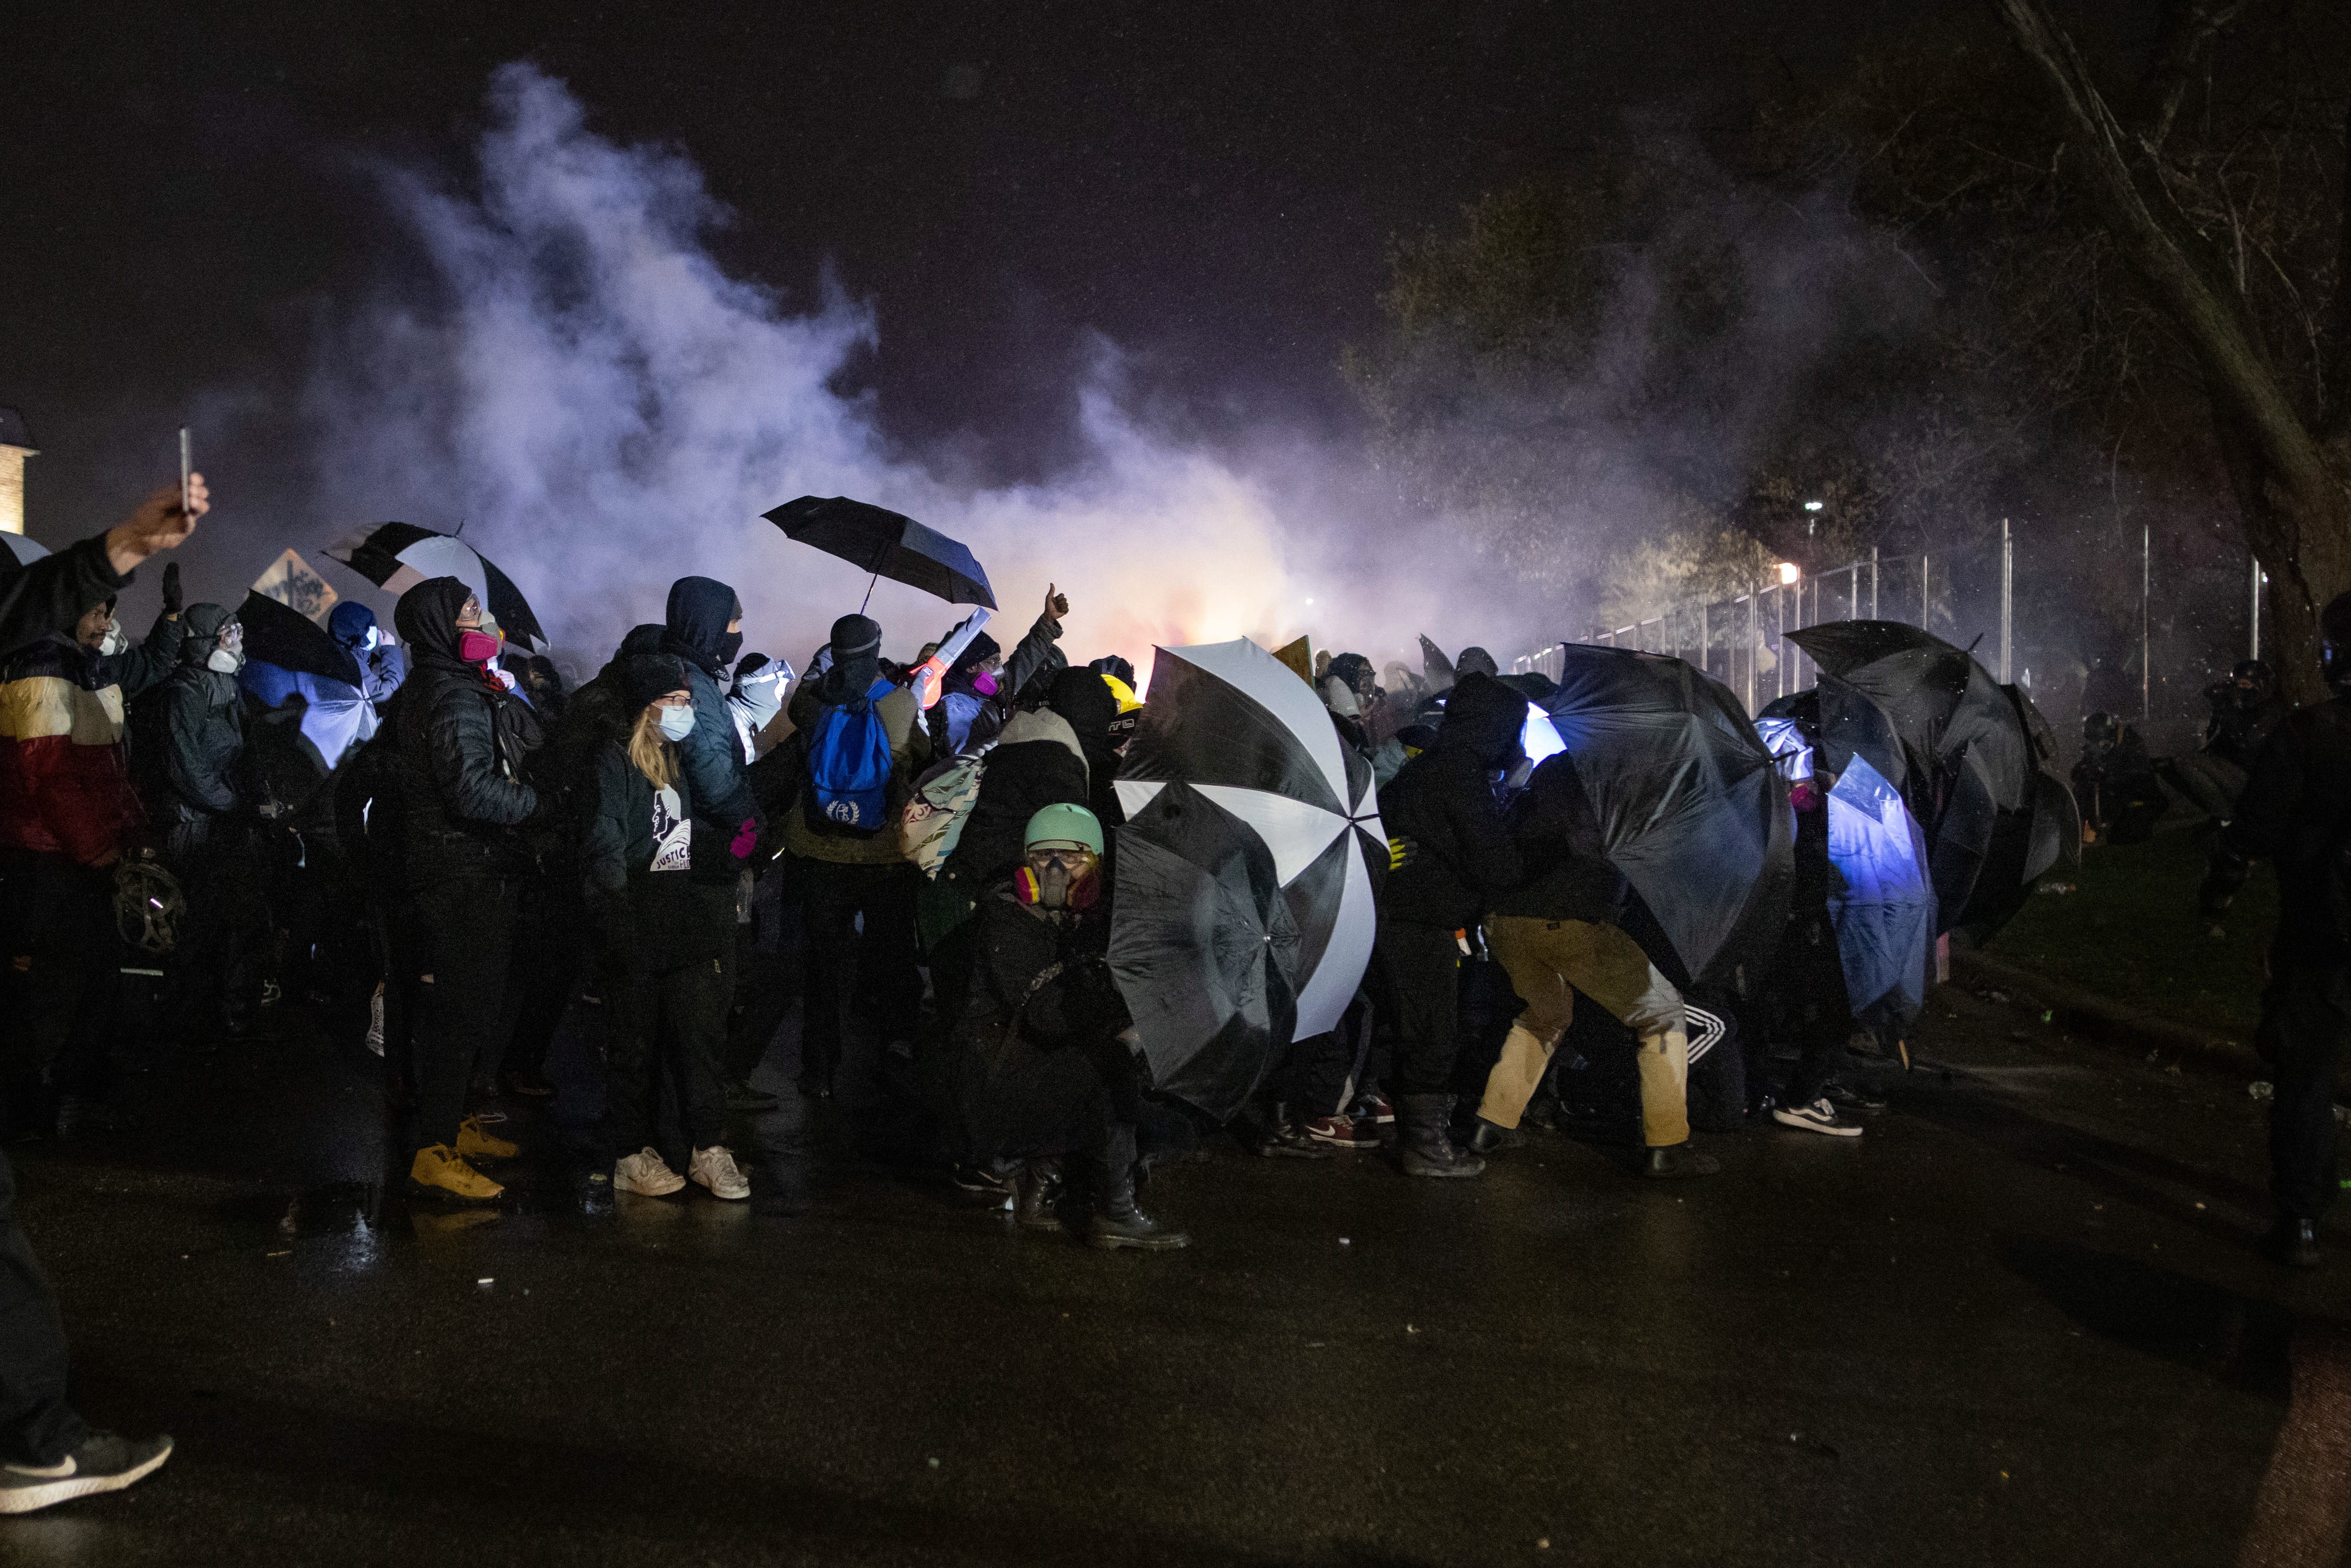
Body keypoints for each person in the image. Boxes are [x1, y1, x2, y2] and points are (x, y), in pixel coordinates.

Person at [0, 472, 202, 1516]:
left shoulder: (69, 662)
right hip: (48, 871)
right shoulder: (38, 669)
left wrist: (116, 560)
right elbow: (52, 776)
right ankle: (31, 1440)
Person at [0, 565, 184, 1137]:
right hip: (44, 855)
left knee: (92, 977)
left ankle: (57, 1088)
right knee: (56, 987)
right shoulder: (42, 665)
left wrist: (129, 829)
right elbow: (48, 774)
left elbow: (106, 767)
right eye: (97, 611)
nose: (106, 623)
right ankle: (32, 1103)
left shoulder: (85, 666)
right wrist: (98, 845)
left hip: (77, 851)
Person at [1471, 752, 1719, 1175]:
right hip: (1571, 920)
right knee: (1664, 1016)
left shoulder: (1555, 768)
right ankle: (1667, 1145)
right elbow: (1605, 852)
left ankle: (1491, 1124)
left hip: (1506, 922)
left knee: (1545, 1017)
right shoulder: (1617, 779)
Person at [950, 804, 1185, 1250]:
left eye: (1074, 857)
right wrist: (1124, 1030)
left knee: (1170, 1126)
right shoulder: (1008, 919)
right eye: (1043, 857)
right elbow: (1047, 1017)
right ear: (1026, 862)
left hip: (1029, 1064)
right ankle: (1116, 1214)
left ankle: (1041, 1183)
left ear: (1096, 863)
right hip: (993, 1079)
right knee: (1111, 1074)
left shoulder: (1088, 921)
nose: (1057, 869)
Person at [2197, 594, 2351, 1269]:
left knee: (2307, 1077)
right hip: (2321, 929)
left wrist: (2217, 899)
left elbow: (2250, 832)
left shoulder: (2306, 736)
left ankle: (2300, 1220)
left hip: (2319, 932)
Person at [390, 577, 549, 1201]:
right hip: (463, 869)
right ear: (438, 627)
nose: (484, 622)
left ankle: (453, 1122)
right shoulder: (451, 696)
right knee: (463, 1010)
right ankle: (434, 1150)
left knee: (473, 1005)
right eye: (471, 613)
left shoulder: (448, 685)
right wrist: (541, 804)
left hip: (465, 865)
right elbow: (473, 791)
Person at [585, 654, 751, 1200]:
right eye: (672, 701)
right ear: (644, 707)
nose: (682, 710)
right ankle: (630, 1155)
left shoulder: (678, 760)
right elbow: (606, 841)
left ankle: (708, 1147)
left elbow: (690, 834)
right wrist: (616, 919)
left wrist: (733, 850)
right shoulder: (613, 762)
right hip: (635, 919)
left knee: (698, 1041)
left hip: (682, 920)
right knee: (634, 1047)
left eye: (686, 701)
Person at [1368, 670, 1526, 1178]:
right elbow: (1495, 865)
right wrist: (1516, 800)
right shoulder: (1459, 774)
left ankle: (1422, 1139)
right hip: (1420, 923)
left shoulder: (1435, 765)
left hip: (1410, 918)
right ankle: (1425, 1148)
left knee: (1423, 1028)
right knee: (1431, 1033)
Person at [786, 613, 932, 1095]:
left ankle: (818, 1068)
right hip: (882, 856)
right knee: (891, 955)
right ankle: (896, 1045)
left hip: (818, 849)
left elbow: (801, 707)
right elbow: (924, 756)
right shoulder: (900, 703)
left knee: (823, 965)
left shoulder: (811, 703)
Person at [136, 601, 276, 1037]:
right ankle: (193, 1019)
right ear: (204, 643)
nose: (238, 640)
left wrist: (259, 797)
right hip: (195, 826)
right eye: (228, 633)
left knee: (239, 921)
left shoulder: (229, 690)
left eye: (237, 631)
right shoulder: (183, 694)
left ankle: (229, 1011)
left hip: (226, 823)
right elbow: (186, 769)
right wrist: (238, 805)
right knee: (206, 926)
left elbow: (246, 756)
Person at [930, 585, 1069, 759]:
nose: (1000, 668)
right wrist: (1011, 735)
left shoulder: (989, 693)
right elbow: (963, 763)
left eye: (999, 660)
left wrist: (1048, 621)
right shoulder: (958, 707)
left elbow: (1025, 658)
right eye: (993, 662)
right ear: (971, 667)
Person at [2169, 659, 2288, 824]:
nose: (2240, 688)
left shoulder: (2269, 710)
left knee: (2187, 763)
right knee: (2182, 763)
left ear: (2260, 684)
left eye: (2245, 684)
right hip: (2236, 771)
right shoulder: (2244, 706)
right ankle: (2226, 814)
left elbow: (2245, 742)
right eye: (2237, 683)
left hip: (2251, 779)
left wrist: (2230, 709)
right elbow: (2219, 739)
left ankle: (2228, 816)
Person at [2073, 712, 2166, 844]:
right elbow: (2078, 772)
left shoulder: (2131, 743)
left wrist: (2106, 773)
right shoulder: (2097, 748)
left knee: (2124, 836)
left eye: (2101, 743)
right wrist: (2087, 772)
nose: (2099, 747)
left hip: (2138, 800)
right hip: (2116, 798)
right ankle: (2088, 830)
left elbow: (2136, 775)